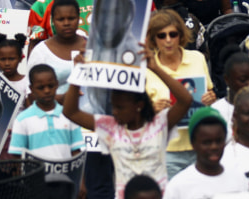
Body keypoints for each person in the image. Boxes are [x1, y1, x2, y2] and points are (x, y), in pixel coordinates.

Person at [63, 43, 194, 199]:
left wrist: (156, 68)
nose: (114, 112)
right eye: (113, 106)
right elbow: (70, 112)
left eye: (120, 107)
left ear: (138, 105)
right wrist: (78, 73)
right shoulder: (110, 127)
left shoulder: (159, 124)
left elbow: (185, 100)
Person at [144, 9, 215, 178]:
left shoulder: (197, 58)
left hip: (201, 145)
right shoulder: (147, 69)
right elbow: (138, 117)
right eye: (161, 36)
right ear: (153, 39)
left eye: (173, 34)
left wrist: (211, 98)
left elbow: (210, 92)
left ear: (181, 35)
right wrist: (152, 109)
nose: (168, 40)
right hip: (167, 150)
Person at [163, 107, 249, 198]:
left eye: (219, 141)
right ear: (193, 144)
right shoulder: (178, 186)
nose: (214, 147)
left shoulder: (239, 179)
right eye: (206, 142)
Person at [8, 64, 84, 159]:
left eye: (50, 86)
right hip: (36, 173)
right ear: (31, 89)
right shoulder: (22, 120)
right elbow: (17, 158)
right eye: (41, 87)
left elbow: (76, 153)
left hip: (65, 174)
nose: (47, 90)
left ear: (56, 84)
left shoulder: (69, 116)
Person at [28, 0, 85, 99]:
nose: (66, 23)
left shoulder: (89, 45)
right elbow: (30, 95)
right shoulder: (40, 52)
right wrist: (64, 98)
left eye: (71, 18)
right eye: (61, 19)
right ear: (53, 21)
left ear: (78, 18)